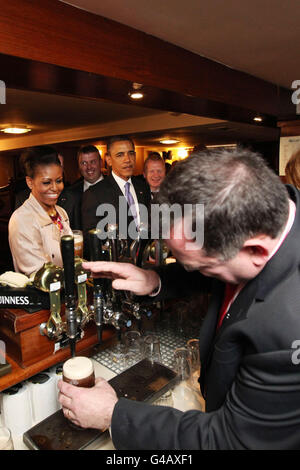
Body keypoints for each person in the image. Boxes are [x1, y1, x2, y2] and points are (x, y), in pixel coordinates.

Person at [58, 147, 300, 450]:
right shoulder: (273, 212)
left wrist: (113, 414)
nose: (195, 271)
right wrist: (155, 278)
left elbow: (231, 441)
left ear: (255, 250)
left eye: (199, 266)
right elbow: (221, 269)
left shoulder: (288, 328)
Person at [81, 135, 151, 258]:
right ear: (108, 159)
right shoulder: (94, 194)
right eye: (120, 155)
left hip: (145, 264)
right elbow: (93, 244)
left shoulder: (143, 187)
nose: (127, 160)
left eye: (131, 153)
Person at [9, 146, 73, 276]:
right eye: (46, 182)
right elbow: (39, 274)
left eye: (59, 181)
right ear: (30, 182)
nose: (55, 188)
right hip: (43, 294)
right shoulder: (22, 219)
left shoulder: (61, 212)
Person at [58, 145, 103, 230]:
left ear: (101, 163)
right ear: (78, 166)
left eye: (93, 162)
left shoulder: (115, 187)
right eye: (84, 163)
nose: (89, 167)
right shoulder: (69, 194)